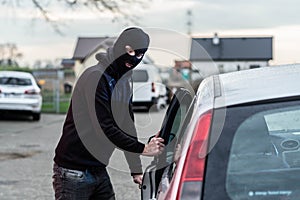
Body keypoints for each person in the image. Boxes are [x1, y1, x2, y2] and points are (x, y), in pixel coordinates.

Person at [52, 27, 165, 200]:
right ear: (120, 47)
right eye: (130, 51)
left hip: (97, 167)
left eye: (140, 55)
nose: (134, 58)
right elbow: (104, 128)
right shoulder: (95, 78)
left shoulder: (125, 81)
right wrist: (143, 148)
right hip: (73, 170)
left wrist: (135, 169)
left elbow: (127, 125)